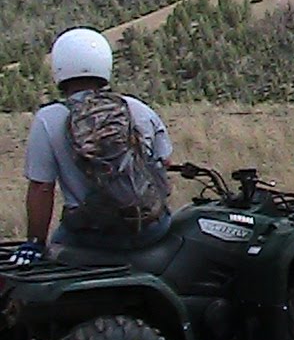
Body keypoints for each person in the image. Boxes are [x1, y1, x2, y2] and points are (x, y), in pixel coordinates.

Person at [10, 28, 173, 265]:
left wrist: (35, 241)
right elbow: (164, 162)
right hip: (150, 229)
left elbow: (41, 189)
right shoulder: (136, 108)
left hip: (90, 234)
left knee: (53, 254)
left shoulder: (49, 118)